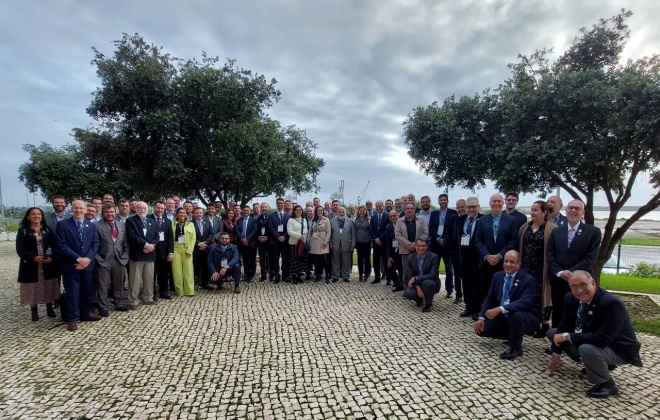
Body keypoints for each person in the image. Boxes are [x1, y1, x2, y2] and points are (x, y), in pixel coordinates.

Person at [546, 271, 642, 398]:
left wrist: (567, 336)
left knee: (587, 349)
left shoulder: (611, 304)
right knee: (553, 333)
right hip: (592, 338)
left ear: (593, 283)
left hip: (618, 347)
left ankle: (607, 384)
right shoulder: (570, 298)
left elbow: (603, 339)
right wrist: (556, 354)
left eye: (583, 285)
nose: (579, 290)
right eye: (573, 287)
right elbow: (564, 325)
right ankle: (599, 364)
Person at [474, 250, 540, 360]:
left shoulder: (529, 280)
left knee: (516, 315)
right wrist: (481, 317)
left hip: (525, 316)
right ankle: (512, 335)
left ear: (519, 264)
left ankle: (515, 348)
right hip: (505, 317)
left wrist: (500, 309)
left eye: (512, 262)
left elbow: (524, 302)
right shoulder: (497, 276)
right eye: (506, 261)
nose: (508, 264)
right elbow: (490, 298)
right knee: (482, 330)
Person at [546, 199, 601, 327]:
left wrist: (571, 273)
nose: (573, 211)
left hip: (581, 281)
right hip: (559, 280)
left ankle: (576, 341)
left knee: (580, 310)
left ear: (583, 212)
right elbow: (550, 254)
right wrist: (560, 272)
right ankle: (557, 342)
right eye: (571, 208)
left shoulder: (593, 232)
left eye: (577, 208)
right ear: (566, 210)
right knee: (558, 311)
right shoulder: (556, 231)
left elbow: (591, 258)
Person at [56, 200, 101, 331]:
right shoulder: (63, 225)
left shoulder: (91, 226)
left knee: (87, 290)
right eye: (76, 208)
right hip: (71, 265)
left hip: (87, 264)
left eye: (81, 208)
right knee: (73, 292)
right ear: (72, 209)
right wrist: (78, 259)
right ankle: (72, 319)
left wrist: (87, 259)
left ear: (86, 210)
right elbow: (61, 245)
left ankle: (87, 313)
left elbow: (95, 244)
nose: (79, 210)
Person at [518, 200, 557, 337]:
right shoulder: (525, 227)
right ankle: (531, 323)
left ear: (544, 212)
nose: (532, 212)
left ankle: (545, 324)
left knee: (543, 296)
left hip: (543, 269)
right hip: (527, 268)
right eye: (532, 210)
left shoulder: (552, 229)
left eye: (536, 210)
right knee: (529, 295)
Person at [16, 207, 61, 321]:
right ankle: (34, 311)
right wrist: (33, 257)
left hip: (47, 264)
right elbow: (20, 249)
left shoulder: (47, 229)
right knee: (32, 288)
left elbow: (55, 245)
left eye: (38, 214)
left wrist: (52, 257)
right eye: (33, 214)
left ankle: (49, 308)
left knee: (48, 285)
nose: (36, 216)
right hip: (31, 265)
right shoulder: (23, 230)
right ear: (28, 216)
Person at [475, 193, 519, 308]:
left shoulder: (512, 220)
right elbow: (478, 241)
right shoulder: (482, 220)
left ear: (502, 203)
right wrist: (487, 256)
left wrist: (500, 255)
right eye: (493, 201)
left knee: (503, 289)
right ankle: (485, 313)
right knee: (485, 289)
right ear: (490, 204)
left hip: (504, 263)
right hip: (486, 262)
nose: (496, 203)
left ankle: (501, 312)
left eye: (498, 201)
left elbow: (513, 241)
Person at [94, 203, 129, 314]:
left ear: (115, 212)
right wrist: (97, 258)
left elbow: (125, 243)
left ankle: (118, 303)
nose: (109, 214)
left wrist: (125, 256)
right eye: (107, 212)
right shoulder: (96, 225)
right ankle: (103, 307)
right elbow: (94, 243)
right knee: (103, 285)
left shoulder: (121, 225)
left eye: (111, 212)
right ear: (103, 213)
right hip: (103, 259)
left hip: (119, 259)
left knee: (119, 284)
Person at [124, 201, 159, 310]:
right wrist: (145, 245)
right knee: (135, 279)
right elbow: (131, 236)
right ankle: (133, 300)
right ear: (136, 209)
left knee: (149, 278)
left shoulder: (152, 221)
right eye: (140, 208)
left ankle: (148, 297)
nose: (143, 210)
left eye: (144, 208)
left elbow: (157, 236)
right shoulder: (130, 221)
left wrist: (151, 246)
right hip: (137, 253)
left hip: (150, 254)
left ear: (147, 209)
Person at [456, 197, 484, 320]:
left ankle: (478, 309)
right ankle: (468, 307)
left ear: (478, 206)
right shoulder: (460, 220)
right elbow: (456, 236)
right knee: (466, 283)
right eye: (469, 207)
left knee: (477, 285)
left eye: (474, 206)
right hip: (464, 257)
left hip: (478, 257)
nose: (471, 209)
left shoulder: (483, 219)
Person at [429, 193, 458, 298]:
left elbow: (453, 230)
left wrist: (445, 240)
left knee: (449, 269)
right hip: (435, 245)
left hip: (447, 246)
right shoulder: (434, 214)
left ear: (447, 201)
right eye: (441, 200)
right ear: (438, 202)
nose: (443, 202)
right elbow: (431, 228)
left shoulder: (453, 213)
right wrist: (437, 238)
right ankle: (435, 287)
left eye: (444, 200)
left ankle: (449, 289)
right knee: (434, 269)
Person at [402, 239, 439, 313]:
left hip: (430, 282)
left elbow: (433, 275)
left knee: (427, 283)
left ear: (427, 246)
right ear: (415, 246)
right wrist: (418, 287)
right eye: (418, 246)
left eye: (423, 246)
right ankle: (419, 299)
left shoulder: (433, 257)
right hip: (417, 283)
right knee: (408, 293)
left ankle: (429, 304)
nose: (421, 248)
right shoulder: (410, 258)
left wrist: (416, 278)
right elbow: (408, 275)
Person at [149, 201, 173, 299]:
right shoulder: (148, 219)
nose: (160, 210)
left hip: (164, 251)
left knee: (163, 273)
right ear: (154, 207)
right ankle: (152, 293)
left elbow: (170, 237)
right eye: (158, 208)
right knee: (151, 273)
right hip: (152, 250)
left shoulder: (167, 221)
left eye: (162, 208)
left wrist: (171, 252)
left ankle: (163, 292)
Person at [394, 202, 429, 269]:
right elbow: (397, 235)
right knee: (406, 271)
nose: (410, 210)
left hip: (419, 250)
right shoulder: (399, 221)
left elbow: (425, 233)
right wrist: (409, 244)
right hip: (405, 250)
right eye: (407, 208)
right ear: (404, 210)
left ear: (414, 210)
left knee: (420, 270)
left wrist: (416, 244)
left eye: (411, 208)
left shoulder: (421, 220)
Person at [443, 199, 464, 304]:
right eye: (458, 207)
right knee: (456, 274)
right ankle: (458, 294)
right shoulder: (452, 218)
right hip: (455, 251)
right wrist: (449, 248)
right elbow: (446, 233)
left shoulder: (470, 219)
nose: (460, 209)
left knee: (467, 275)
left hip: (467, 253)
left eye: (462, 207)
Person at [170, 208, 195, 296]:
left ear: (186, 215)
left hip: (186, 248)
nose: (182, 215)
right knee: (177, 271)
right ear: (177, 214)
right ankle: (179, 291)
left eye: (184, 213)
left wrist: (189, 250)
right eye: (180, 213)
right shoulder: (172, 224)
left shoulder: (190, 224)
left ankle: (189, 290)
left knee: (188, 270)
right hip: (175, 248)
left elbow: (193, 238)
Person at [329, 207, 355, 282]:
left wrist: (353, 244)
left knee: (346, 261)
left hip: (347, 244)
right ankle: (335, 276)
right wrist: (330, 243)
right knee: (335, 261)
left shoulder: (350, 221)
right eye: (340, 212)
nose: (341, 214)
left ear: (345, 213)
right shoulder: (332, 221)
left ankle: (345, 276)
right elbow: (330, 234)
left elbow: (353, 234)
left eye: (343, 212)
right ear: (337, 212)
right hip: (335, 244)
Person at [268, 198, 290, 283]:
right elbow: (271, 228)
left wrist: (284, 236)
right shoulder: (271, 215)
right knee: (275, 260)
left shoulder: (288, 216)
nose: (280, 204)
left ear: (283, 204)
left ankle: (285, 275)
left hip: (285, 241)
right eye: (278, 203)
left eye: (281, 203)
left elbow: (289, 228)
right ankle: (276, 276)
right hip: (275, 241)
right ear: (277, 204)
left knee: (285, 259)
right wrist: (278, 237)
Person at [369, 200, 390, 285]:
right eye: (377, 206)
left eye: (380, 206)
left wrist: (380, 239)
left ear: (383, 206)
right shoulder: (373, 217)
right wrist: (375, 239)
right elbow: (371, 229)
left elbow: (387, 229)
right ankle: (377, 277)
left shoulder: (387, 216)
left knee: (385, 261)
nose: (378, 208)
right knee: (376, 261)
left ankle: (388, 278)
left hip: (384, 242)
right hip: (375, 243)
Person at [286, 205, 309, 283]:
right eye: (297, 210)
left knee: (301, 260)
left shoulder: (304, 220)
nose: (298, 211)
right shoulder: (291, 220)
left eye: (300, 210)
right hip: (293, 243)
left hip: (302, 244)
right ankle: (294, 276)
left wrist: (305, 240)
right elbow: (289, 232)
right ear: (294, 211)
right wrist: (299, 236)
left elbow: (306, 231)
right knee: (294, 260)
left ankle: (299, 275)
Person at [308, 206, 331, 282]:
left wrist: (326, 242)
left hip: (323, 242)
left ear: (323, 211)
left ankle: (327, 275)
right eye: (318, 210)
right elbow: (310, 231)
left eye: (321, 210)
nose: (320, 212)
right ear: (316, 211)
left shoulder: (326, 220)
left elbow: (329, 232)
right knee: (317, 261)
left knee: (325, 260)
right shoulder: (314, 220)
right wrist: (308, 240)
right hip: (315, 242)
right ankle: (318, 274)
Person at [236, 205, 258, 282]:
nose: (246, 212)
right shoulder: (239, 220)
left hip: (251, 243)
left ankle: (251, 274)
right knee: (245, 260)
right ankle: (246, 274)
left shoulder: (254, 220)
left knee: (252, 260)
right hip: (242, 243)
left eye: (247, 210)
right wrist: (243, 239)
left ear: (250, 211)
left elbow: (254, 231)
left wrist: (247, 239)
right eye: (244, 210)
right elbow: (237, 230)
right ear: (242, 211)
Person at [192, 207, 212, 289]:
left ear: (202, 213)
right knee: (194, 267)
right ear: (194, 214)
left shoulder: (207, 222)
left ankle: (205, 284)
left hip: (206, 249)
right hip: (195, 249)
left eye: (200, 213)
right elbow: (190, 236)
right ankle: (192, 285)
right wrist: (199, 244)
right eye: (197, 213)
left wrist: (206, 243)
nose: (199, 214)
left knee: (206, 267)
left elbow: (211, 234)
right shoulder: (190, 223)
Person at [354, 206, 372, 282]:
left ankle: (367, 273)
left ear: (365, 212)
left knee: (367, 259)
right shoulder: (356, 219)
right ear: (358, 212)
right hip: (359, 242)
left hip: (367, 242)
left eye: (363, 211)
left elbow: (371, 230)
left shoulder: (369, 220)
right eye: (360, 211)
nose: (362, 212)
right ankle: (360, 274)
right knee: (360, 259)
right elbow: (355, 230)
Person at [255, 203, 270, 281]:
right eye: (262, 207)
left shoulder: (271, 217)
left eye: (265, 207)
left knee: (270, 258)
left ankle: (271, 273)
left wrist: (267, 237)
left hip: (269, 241)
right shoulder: (258, 218)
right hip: (260, 241)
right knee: (262, 259)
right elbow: (256, 229)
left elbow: (272, 229)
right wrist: (258, 237)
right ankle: (263, 274)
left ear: (268, 208)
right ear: (261, 208)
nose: (264, 208)